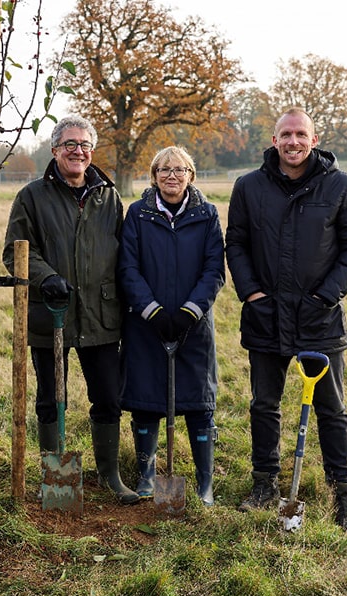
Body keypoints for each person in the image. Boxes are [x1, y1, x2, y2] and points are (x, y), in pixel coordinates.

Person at [225, 107, 347, 532]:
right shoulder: (248, 187)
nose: (292, 142)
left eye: (300, 134)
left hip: (319, 320)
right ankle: (264, 485)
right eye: (285, 134)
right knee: (263, 405)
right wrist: (252, 294)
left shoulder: (341, 186)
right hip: (265, 318)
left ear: (313, 138)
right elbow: (236, 243)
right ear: (274, 140)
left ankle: (342, 494)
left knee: (332, 409)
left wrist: (325, 296)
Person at [2, 115, 139, 505]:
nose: (77, 151)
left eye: (84, 145)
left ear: (91, 151)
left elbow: (122, 253)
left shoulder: (109, 196)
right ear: (55, 150)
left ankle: (110, 476)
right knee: (51, 397)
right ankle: (57, 477)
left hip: (101, 314)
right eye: (69, 145)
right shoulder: (32, 196)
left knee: (108, 397)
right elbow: (16, 250)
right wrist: (45, 277)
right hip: (52, 314)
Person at [117, 146, 225, 506]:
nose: (172, 176)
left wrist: (188, 313)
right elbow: (128, 269)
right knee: (146, 399)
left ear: (191, 176)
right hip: (147, 326)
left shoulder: (207, 215)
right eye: (164, 169)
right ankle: (147, 475)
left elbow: (214, 270)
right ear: (154, 176)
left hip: (193, 328)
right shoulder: (138, 215)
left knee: (198, 403)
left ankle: (204, 484)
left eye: (179, 169)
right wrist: (153, 312)